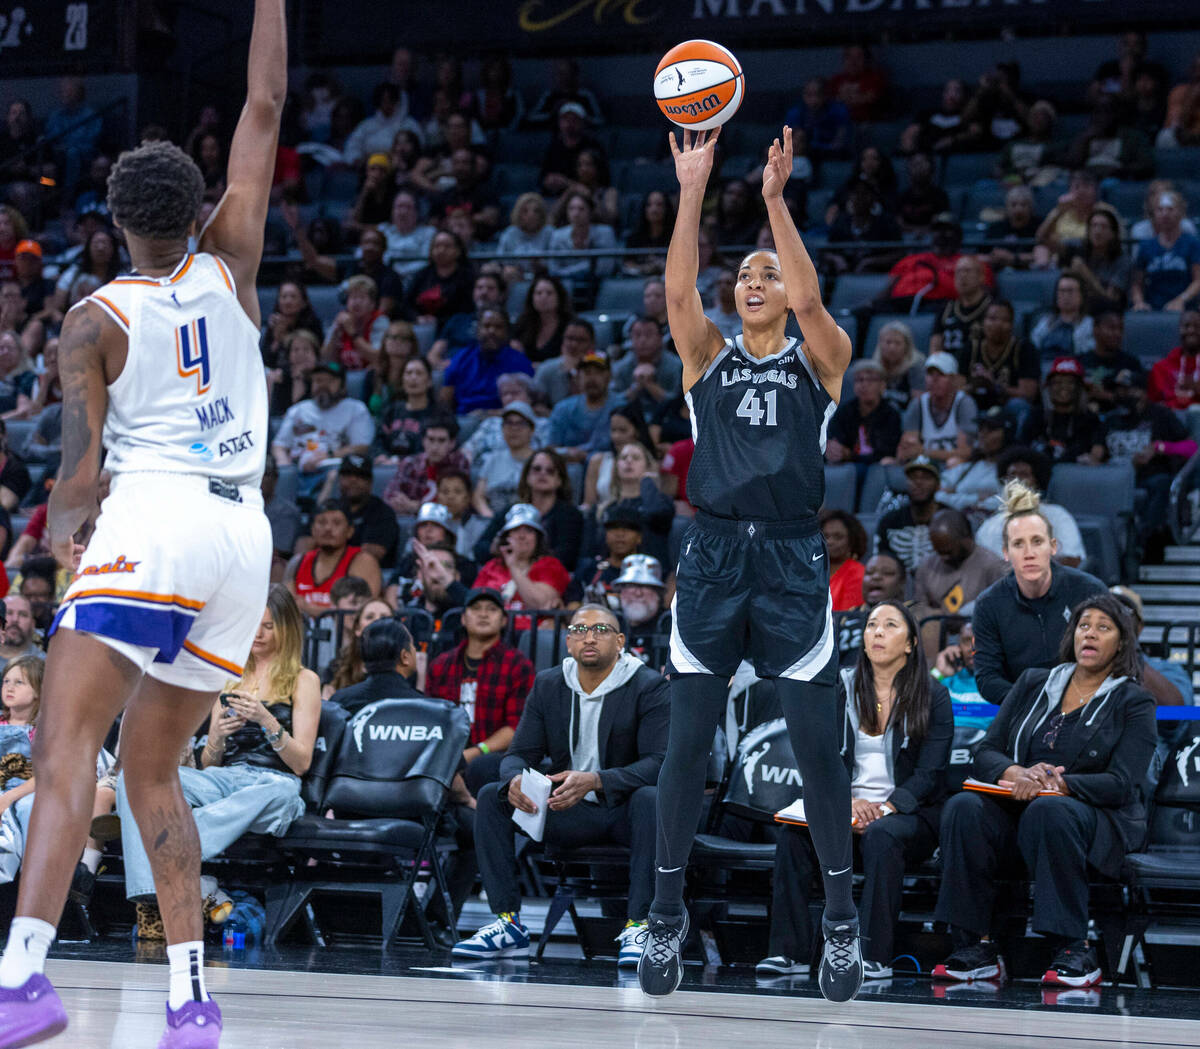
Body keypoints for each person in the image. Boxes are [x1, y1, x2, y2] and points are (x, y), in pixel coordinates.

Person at [0, 2, 284, 1044]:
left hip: (154, 517)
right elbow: (262, 100)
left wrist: (61, 543)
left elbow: (80, 473)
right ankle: (189, 998)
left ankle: (24, 973)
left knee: (62, 738)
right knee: (154, 768)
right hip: (242, 540)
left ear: (114, 221)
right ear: (200, 206)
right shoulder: (234, 261)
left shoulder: (92, 318)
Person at [637, 125, 861, 1003]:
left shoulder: (822, 361)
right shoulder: (706, 359)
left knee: (819, 750)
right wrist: (692, 187)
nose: (755, 283)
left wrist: (772, 201)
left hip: (795, 560)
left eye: (765, 274)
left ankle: (839, 922)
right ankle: (664, 910)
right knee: (687, 741)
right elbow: (676, 287)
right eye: (747, 277)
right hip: (716, 555)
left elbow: (812, 303)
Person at [933, 593, 1156, 988]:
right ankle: (975, 946)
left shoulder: (1133, 701)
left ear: (1121, 642)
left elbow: (1123, 784)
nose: (1090, 634)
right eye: (1084, 625)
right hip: (1022, 810)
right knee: (964, 807)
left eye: (1103, 628)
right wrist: (1017, 771)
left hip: (1096, 820)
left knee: (1050, 811)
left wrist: (1060, 784)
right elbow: (986, 751)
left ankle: (1072, 947)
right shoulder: (1034, 681)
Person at [452, 603, 668, 967]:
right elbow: (520, 752)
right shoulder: (550, 683)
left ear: (620, 642)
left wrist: (598, 780)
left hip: (627, 812)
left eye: (600, 630)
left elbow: (660, 763)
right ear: (567, 642)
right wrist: (515, 779)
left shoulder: (647, 685)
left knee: (651, 798)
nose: (588, 636)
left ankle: (639, 926)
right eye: (579, 630)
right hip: (569, 811)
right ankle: (508, 923)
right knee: (493, 795)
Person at [759, 601, 953, 981]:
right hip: (843, 806)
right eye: (872, 625)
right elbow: (817, 759)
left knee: (882, 836)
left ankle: (870, 955)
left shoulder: (933, 696)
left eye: (890, 625)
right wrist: (847, 804)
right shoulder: (837, 688)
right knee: (793, 837)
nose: (877, 632)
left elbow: (931, 773)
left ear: (911, 643)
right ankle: (788, 953)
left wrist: (885, 808)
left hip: (907, 814)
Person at [117, 585, 319, 932]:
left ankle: (179, 844)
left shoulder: (304, 680)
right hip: (226, 781)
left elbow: (302, 763)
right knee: (133, 777)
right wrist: (218, 737)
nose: (258, 633)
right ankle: (149, 890)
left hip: (274, 784)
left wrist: (266, 720)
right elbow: (210, 766)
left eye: (269, 626)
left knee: (281, 795)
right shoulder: (228, 676)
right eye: (255, 622)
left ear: (287, 628)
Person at [972, 480, 1106, 705]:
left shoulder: (1089, 592)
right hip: (1021, 711)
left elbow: (1114, 659)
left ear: (1053, 546)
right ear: (1006, 552)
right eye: (1018, 544)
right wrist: (1033, 703)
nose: (1029, 553)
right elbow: (987, 678)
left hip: (1086, 708)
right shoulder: (988, 604)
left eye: (1037, 542)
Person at [425, 587, 535, 794]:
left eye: (492, 609)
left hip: (495, 758)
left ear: (503, 620)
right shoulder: (441, 665)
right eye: (476, 608)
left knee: (482, 766)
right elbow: (430, 719)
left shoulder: (517, 664)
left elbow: (518, 727)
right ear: (463, 619)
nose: (483, 614)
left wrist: (476, 751)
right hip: (446, 753)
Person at [1104, 367, 1197, 559]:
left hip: (1148, 478)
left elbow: (1192, 449)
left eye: (1127, 389)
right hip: (1112, 480)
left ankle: (1144, 541)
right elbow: (1095, 450)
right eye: (1118, 390)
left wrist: (1159, 447)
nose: (1122, 395)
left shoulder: (1160, 415)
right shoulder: (1109, 419)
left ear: (1142, 392)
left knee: (1162, 483)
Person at [270, 361, 375, 499]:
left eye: (330, 381)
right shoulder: (298, 410)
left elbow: (361, 447)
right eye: (318, 381)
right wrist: (284, 465)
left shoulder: (355, 409)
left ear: (343, 386)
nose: (322, 386)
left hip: (333, 469)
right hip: (297, 472)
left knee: (336, 475)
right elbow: (279, 446)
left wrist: (328, 455)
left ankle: (321, 511)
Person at [974, 446, 1086, 568]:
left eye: (1024, 475)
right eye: (1012, 475)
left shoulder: (1058, 516)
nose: (1017, 481)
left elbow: (1073, 560)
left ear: (1037, 480)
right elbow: (981, 571)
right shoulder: (990, 526)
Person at [474, 449, 584, 572]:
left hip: (548, 578)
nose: (542, 473)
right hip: (508, 575)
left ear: (560, 480)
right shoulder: (512, 511)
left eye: (550, 471)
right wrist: (495, 548)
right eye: (537, 469)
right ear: (527, 476)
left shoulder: (570, 515)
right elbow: (480, 549)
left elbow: (566, 557)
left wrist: (524, 559)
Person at [471, 504, 570, 628]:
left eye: (529, 530)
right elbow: (474, 605)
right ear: (506, 536)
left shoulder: (550, 565)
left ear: (538, 538)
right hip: (493, 634)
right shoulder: (492, 566)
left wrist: (513, 566)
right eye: (516, 530)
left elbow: (541, 604)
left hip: (532, 637)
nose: (522, 536)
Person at [286, 501, 382, 617]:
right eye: (321, 522)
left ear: (350, 531)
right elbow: (287, 610)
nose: (328, 528)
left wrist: (308, 608)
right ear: (312, 529)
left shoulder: (364, 561)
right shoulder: (297, 562)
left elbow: (362, 613)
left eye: (337, 523)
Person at [913, 509, 1007, 626]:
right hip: (935, 634)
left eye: (948, 552)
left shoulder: (992, 566)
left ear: (967, 538)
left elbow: (1000, 609)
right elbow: (919, 611)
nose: (943, 558)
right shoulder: (926, 567)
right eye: (938, 552)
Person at [440, 309, 534, 418]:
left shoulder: (520, 363)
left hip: (503, 420)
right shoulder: (462, 358)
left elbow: (526, 406)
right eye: (486, 326)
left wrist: (487, 414)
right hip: (463, 420)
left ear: (507, 332)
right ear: (477, 329)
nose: (491, 331)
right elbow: (445, 400)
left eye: (498, 327)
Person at [958, 302, 1039, 420]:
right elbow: (957, 389)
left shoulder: (1023, 348)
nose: (998, 324)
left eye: (1004, 320)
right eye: (992, 318)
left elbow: (1028, 394)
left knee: (1018, 406)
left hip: (1006, 409)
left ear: (1012, 325)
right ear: (983, 322)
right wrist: (974, 385)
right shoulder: (971, 348)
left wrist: (995, 386)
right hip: (975, 406)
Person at [1018, 357, 1106, 465]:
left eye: (1070, 382)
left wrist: (1092, 459)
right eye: (1057, 382)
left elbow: (1096, 454)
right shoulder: (1037, 415)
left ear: (1079, 388)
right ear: (1049, 387)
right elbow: (1020, 450)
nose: (1064, 387)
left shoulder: (1090, 419)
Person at [329, 618, 422, 716]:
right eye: (412, 645)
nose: (415, 650)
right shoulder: (424, 707)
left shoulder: (340, 702)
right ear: (405, 656)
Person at [898, 353, 977, 465]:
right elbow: (908, 449)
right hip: (925, 467)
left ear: (953, 379)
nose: (934, 379)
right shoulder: (917, 404)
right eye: (930, 374)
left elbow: (966, 452)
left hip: (953, 469)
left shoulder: (964, 404)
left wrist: (924, 451)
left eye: (941, 374)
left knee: (954, 462)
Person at [383, 418, 470, 516]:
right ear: (423, 440)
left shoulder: (459, 463)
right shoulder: (410, 463)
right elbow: (389, 496)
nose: (435, 447)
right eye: (431, 439)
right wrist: (400, 503)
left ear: (452, 443)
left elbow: (459, 504)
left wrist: (418, 507)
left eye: (441, 441)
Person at [547, 350, 623, 463]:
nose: (592, 378)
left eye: (598, 372)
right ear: (578, 377)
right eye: (587, 373)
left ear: (609, 376)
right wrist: (567, 452)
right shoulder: (563, 409)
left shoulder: (622, 407)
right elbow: (551, 449)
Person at [1131, 190, 1200, 312]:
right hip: (1153, 309)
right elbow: (1137, 284)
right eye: (1160, 209)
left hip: (1185, 311)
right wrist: (1139, 302)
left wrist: (1181, 300)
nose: (1165, 214)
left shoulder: (1192, 243)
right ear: (1154, 214)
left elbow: (1198, 280)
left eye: (1170, 209)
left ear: (1180, 212)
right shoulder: (1146, 246)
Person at [825, 359, 901, 468]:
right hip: (847, 468)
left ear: (882, 385)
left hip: (876, 469)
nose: (864, 384)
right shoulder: (845, 411)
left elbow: (886, 453)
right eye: (860, 380)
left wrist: (850, 455)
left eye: (871, 380)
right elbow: (833, 438)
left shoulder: (891, 414)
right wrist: (833, 449)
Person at [327, 454, 400, 568]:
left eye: (360, 475)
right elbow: (304, 546)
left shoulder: (383, 512)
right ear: (339, 479)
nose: (353, 480)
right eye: (348, 474)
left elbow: (370, 556)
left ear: (370, 482)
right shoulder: (327, 509)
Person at [937, 407, 1009, 518]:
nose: (983, 434)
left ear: (1006, 433)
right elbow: (937, 495)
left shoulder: (1012, 470)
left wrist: (955, 494)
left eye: (990, 429)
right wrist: (976, 499)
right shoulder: (966, 468)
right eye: (981, 429)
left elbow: (1005, 502)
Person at [875, 456, 940, 574]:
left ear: (938, 484)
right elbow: (880, 561)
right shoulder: (889, 521)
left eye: (926, 478)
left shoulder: (949, 519)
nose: (918, 482)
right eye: (913, 478)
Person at [473, 402, 539, 518]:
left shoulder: (540, 461)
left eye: (520, 423)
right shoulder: (493, 459)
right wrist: (490, 518)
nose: (514, 429)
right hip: (492, 520)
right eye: (509, 423)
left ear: (532, 429)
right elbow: (479, 496)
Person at [1060, 207, 1132, 311]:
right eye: (1094, 226)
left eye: (1103, 227)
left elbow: (1111, 300)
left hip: (1106, 316)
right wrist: (1058, 210)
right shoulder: (1078, 249)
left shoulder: (1122, 261)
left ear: (1113, 233)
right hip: (1079, 313)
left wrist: (1086, 274)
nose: (1097, 231)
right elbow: (1043, 239)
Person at [610, 317, 683, 418]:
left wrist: (649, 384)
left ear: (661, 338)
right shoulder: (621, 367)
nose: (643, 340)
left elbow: (678, 402)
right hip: (629, 421)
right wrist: (637, 385)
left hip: (667, 421)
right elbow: (612, 401)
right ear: (630, 339)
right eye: (637, 335)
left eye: (648, 335)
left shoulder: (677, 365)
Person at [928, 256, 992, 361]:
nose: (962, 276)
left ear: (981, 277)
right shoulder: (945, 309)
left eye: (968, 271)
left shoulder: (992, 308)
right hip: (949, 371)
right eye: (958, 272)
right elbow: (935, 349)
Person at [1080, 309, 1143, 411]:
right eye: (1111, 328)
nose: (1117, 333)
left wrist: (1107, 396)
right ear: (1095, 330)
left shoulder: (1131, 363)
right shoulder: (1081, 362)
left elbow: (1138, 398)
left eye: (1120, 329)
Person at [323, 274, 387, 371]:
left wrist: (353, 334)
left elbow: (378, 358)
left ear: (372, 304)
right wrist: (335, 335)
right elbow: (325, 359)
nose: (357, 302)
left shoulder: (380, 321)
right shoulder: (341, 320)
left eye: (362, 298)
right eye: (353, 297)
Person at [511, 275, 575, 365]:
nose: (543, 297)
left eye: (549, 293)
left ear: (559, 297)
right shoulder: (522, 323)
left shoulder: (569, 325)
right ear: (532, 298)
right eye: (538, 293)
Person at [1030, 274, 1095, 359]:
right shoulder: (1044, 323)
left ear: (1081, 295)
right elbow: (1033, 347)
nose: (1065, 296)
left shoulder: (1091, 325)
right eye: (1062, 291)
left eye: (1070, 291)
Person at [1147, 309, 1200, 410]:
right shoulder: (1160, 368)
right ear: (1179, 329)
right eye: (1186, 326)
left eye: (1197, 326)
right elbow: (1151, 407)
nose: (1191, 330)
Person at [821, 510, 868, 614]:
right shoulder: (813, 569)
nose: (830, 542)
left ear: (852, 541)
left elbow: (847, 616)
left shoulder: (857, 573)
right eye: (826, 536)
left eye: (838, 537)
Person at [870, 322, 925, 412]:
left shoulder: (917, 365)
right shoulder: (875, 366)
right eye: (888, 342)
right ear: (880, 345)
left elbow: (918, 404)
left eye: (897, 343)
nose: (892, 347)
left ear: (907, 346)